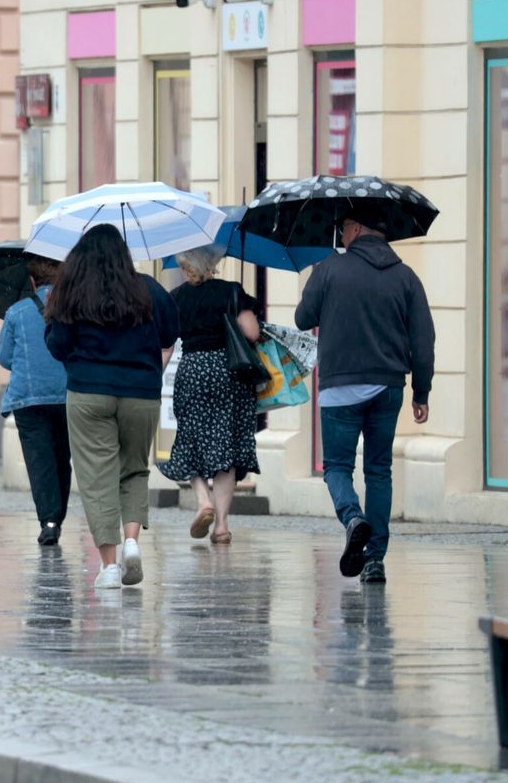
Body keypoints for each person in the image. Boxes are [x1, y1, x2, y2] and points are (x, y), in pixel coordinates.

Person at [294, 212, 435, 585]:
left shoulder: (329, 269)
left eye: (342, 229)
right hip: (388, 387)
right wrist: (422, 392)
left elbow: (301, 317)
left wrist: (319, 276)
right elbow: (424, 341)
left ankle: (353, 517)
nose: (340, 235)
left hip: (339, 386)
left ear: (356, 229)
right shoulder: (406, 277)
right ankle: (375, 561)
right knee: (378, 470)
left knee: (338, 468)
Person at [45, 225, 180, 589]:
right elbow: (170, 334)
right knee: (134, 469)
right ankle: (132, 541)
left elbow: (57, 345)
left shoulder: (71, 292)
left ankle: (107, 566)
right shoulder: (148, 289)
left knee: (97, 477)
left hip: (89, 394)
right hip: (141, 393)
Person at [157, 245, 260, 545]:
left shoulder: (175, 298)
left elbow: (167, 345)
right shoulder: (231, 291)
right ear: (214, 263)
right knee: (225, 446)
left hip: (191, 371)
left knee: (190, 440)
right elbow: (251, 333)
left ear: (185, 265)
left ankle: (203, 500)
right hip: (227, 371)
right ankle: (222, 526)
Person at [0, 255, 71, 546]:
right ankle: (58, 517)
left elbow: (5, 358)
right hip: (67, 395)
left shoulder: (16, 312)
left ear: (32, 281)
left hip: (28, 398)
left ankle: (49, 521)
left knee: (39, 461)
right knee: (61, 458)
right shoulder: (73, 309)